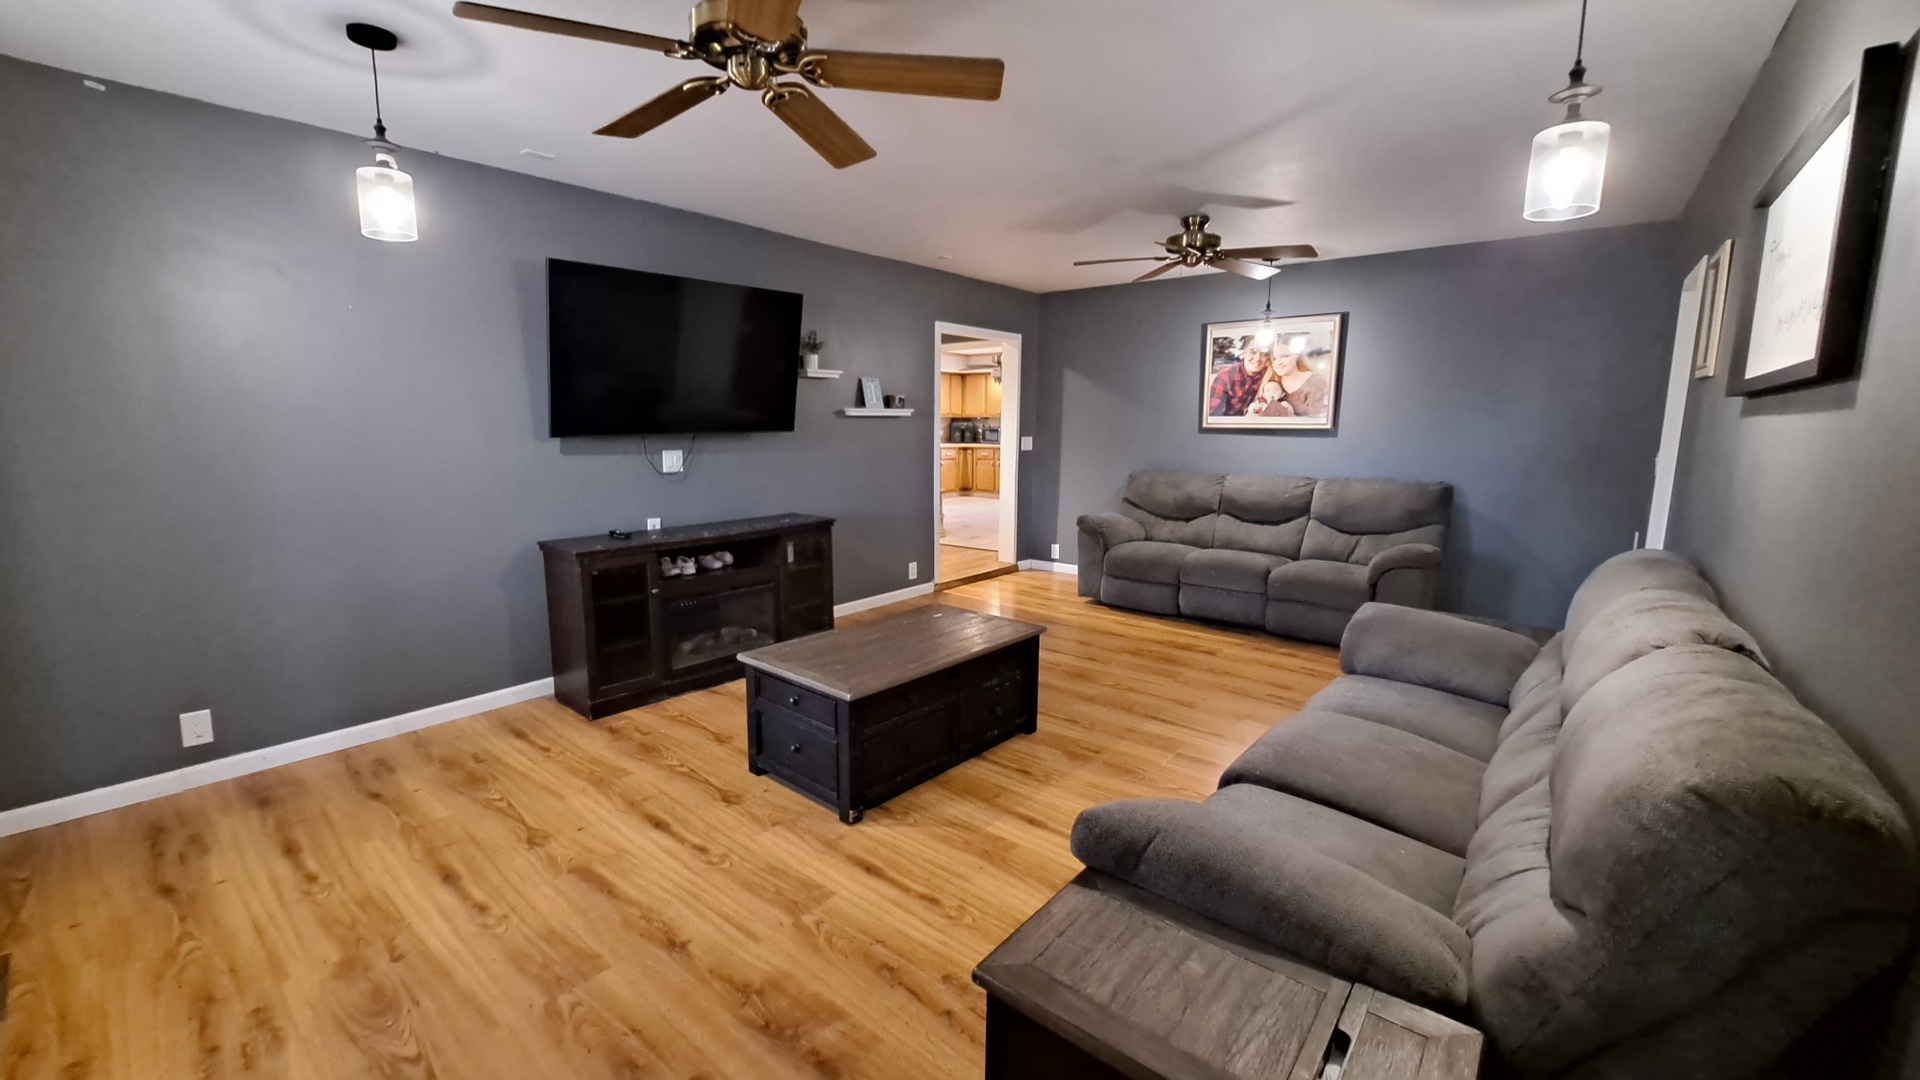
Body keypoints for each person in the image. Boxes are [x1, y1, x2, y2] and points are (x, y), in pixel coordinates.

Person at [1207, 340, 1269, 417]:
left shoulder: (1268, 375)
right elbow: (1214, 416)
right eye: (1253, 351)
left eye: (1264, 353)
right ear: (1243, 353)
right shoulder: (1226, 376)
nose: (1258, 358)